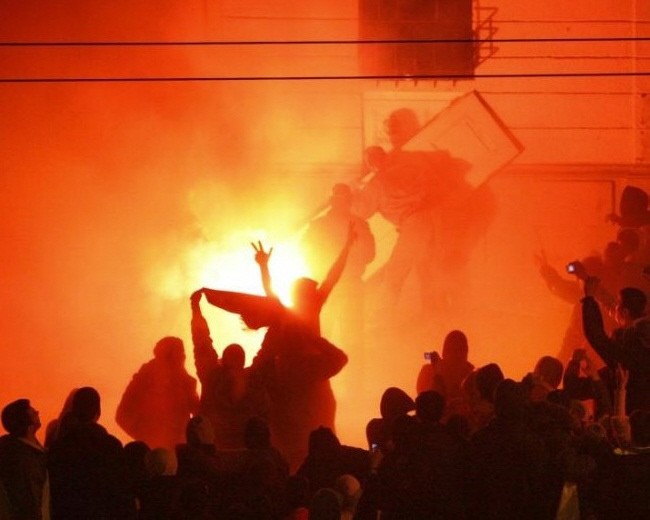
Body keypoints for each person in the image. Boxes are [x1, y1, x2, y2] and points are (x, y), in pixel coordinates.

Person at [190, 290, 270, 450]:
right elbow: (267, 351)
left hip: (214, 448)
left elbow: (202, 342)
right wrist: (276, 323)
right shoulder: (254, 379)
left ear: (223, 359)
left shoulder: (211, 376)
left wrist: (196, 309)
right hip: (248, 450)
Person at [302, 182, 376, 352]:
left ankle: (326, 373)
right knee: (350, 338)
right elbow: (369, 255)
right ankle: (352, 375)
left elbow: (305, 250)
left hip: (329, 287)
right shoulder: (359, 225)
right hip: (344, 285)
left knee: (323, 334)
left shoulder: (319, 225)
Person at [48, 386, 135, 520]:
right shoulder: (111, 446)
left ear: (74, 411)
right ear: (98, 412)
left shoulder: (58, 447)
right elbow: (121, 490)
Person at [116, 336, 199, 450]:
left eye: (183, 353)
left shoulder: (186, 382)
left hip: (179, 454)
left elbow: (198, 417)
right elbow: (122, 416)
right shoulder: (144, 380)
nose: (183, 356)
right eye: (180, 352)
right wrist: (146, 439)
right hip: (152, 454)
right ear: (168, 355)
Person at [582, 277, 650, 414]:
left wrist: (589, 300)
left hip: (633, 415)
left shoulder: (633, 342)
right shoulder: (644, 335)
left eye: (618, 304)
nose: (614, 308)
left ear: (625, 312)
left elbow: (599, 339)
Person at [0, 399, 49, 520]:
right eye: (33, 412)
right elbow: (31, 498)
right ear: (26, 422)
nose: (37, 412)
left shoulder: (15, 452)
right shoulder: (26, 459)